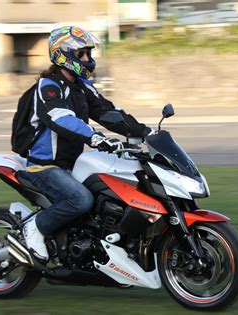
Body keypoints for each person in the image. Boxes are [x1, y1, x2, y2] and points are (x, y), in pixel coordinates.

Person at [22, 26, 153, 260]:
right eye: (82, 54)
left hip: (73, 164)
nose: (87, 59)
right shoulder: (49, 86)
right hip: (45, 166)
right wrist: (95, 137)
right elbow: (60, 117)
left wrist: (145, 131)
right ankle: (35, 228)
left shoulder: (82, 86)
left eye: (88, 54)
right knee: (80, 200)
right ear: (64, 54)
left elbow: (107, 111)